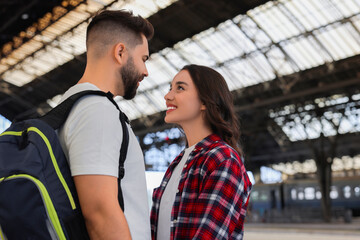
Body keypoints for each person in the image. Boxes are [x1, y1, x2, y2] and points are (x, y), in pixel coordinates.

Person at [58, 10, 154, 239]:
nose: (146, 72)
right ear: (120, 52)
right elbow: (101, 216)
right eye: (143, 59)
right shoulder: (97, 111)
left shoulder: (70, 106)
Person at [150, 64, 252, 239]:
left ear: (205, 101)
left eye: (180, 88)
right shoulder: (178, 162)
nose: (167, 96)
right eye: (170, 89)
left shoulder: (223, 159)